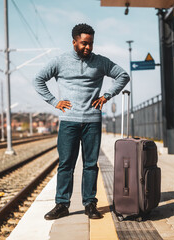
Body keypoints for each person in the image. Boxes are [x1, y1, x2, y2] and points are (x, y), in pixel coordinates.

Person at [33, 23, 130, 220]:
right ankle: (62, 205)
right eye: (84, 43)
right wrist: (54, 101)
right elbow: (38, 79)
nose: (88, 47)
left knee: (90, 164)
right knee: (66, 164)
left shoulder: (100, 62)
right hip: (68, 121)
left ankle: (90, 204)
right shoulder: (60, 61)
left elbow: (123, 75)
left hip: (92, 121)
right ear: (74, 42)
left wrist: (107, 95)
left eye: (91, 44)